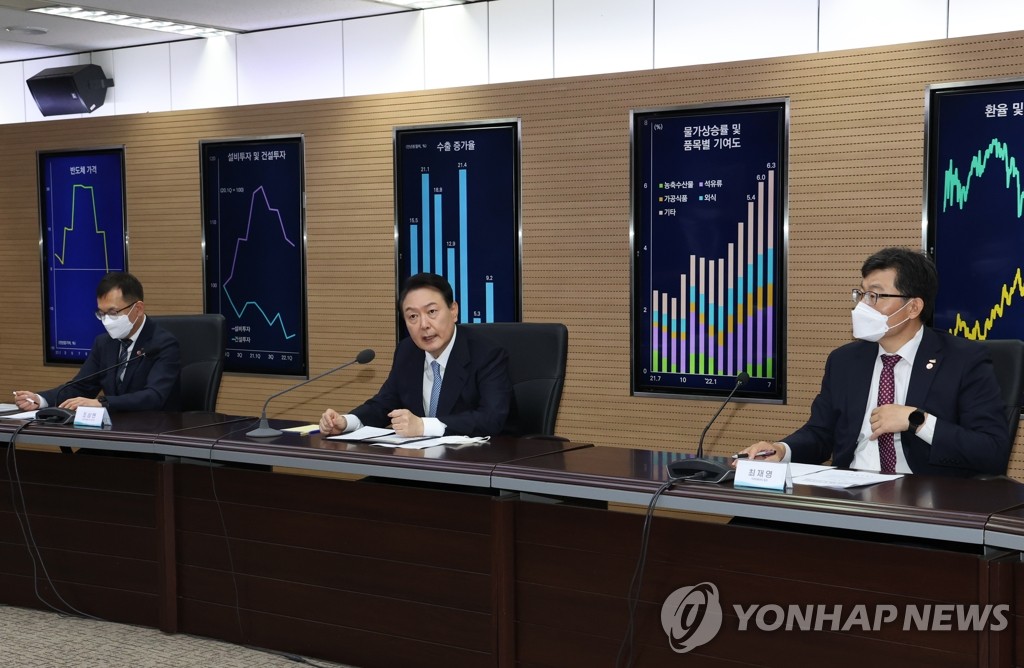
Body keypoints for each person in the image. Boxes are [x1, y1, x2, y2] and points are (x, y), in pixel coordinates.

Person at [735, 247, 1010, 477]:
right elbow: (821, 433)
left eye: (875, 296)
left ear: (913, 307)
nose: (862, 306)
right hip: (849, 496)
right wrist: (782, 450)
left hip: (923, 502)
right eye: (862, 294)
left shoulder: (963, 360)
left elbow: (991, 453)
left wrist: (918, 421)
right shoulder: (845, 361)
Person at [320, 272, 512, 438]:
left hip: (477, 464)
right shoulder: (407, 351)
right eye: (413, 316)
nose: (424, 324)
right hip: (421, 462)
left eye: (432, 311)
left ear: (453, 311)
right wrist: (346, 422)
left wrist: (423, 426)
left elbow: (491, 419)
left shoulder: (487, 354)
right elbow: (385, 404)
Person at [13, 271, 181, 412]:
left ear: (138, 309)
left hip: (153, 435)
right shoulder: (104, 343)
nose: (107, 320)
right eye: (102, 313)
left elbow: (154, 396)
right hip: (113, 432)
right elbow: (81, 387)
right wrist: (41, 400)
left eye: (113, 312)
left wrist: (102, 403)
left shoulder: (163, 344)